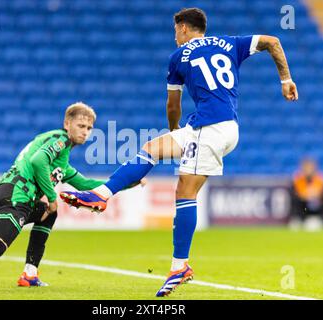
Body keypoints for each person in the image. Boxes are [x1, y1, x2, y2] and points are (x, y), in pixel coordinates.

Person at [60, 8, 298, 297]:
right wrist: (285, 80)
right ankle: (103, 193)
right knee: (152, 148)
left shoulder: (179, 57)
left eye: (175, 30)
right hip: (219, 126)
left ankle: (179, 266)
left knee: (184, 193)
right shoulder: (230, 43)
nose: (175, 36)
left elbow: (173, 106)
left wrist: (174, 130)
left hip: (209, 128)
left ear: (184, 28)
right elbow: (272, 41)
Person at [0, 102, 111, 290]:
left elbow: (86, 184)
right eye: (81, 126)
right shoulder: (60, 139)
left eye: (89, 128)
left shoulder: (61, 159)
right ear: (67, 124)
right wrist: (51, 198)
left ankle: (30, 274)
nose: (86, 132)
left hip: (10, 194)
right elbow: (38, 160)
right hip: (15, 195)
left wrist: (125, 181)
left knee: (48, 214)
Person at [289, 158, 323, 230]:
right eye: (306, 167)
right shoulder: (298, 180)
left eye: (310, 167)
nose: (308, 170)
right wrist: (304, 196)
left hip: (316, 215)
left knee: (313, 226)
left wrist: (318, 195)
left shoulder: (320, 180)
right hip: (300, 214)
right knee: (295, 226)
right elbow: (294, 198)